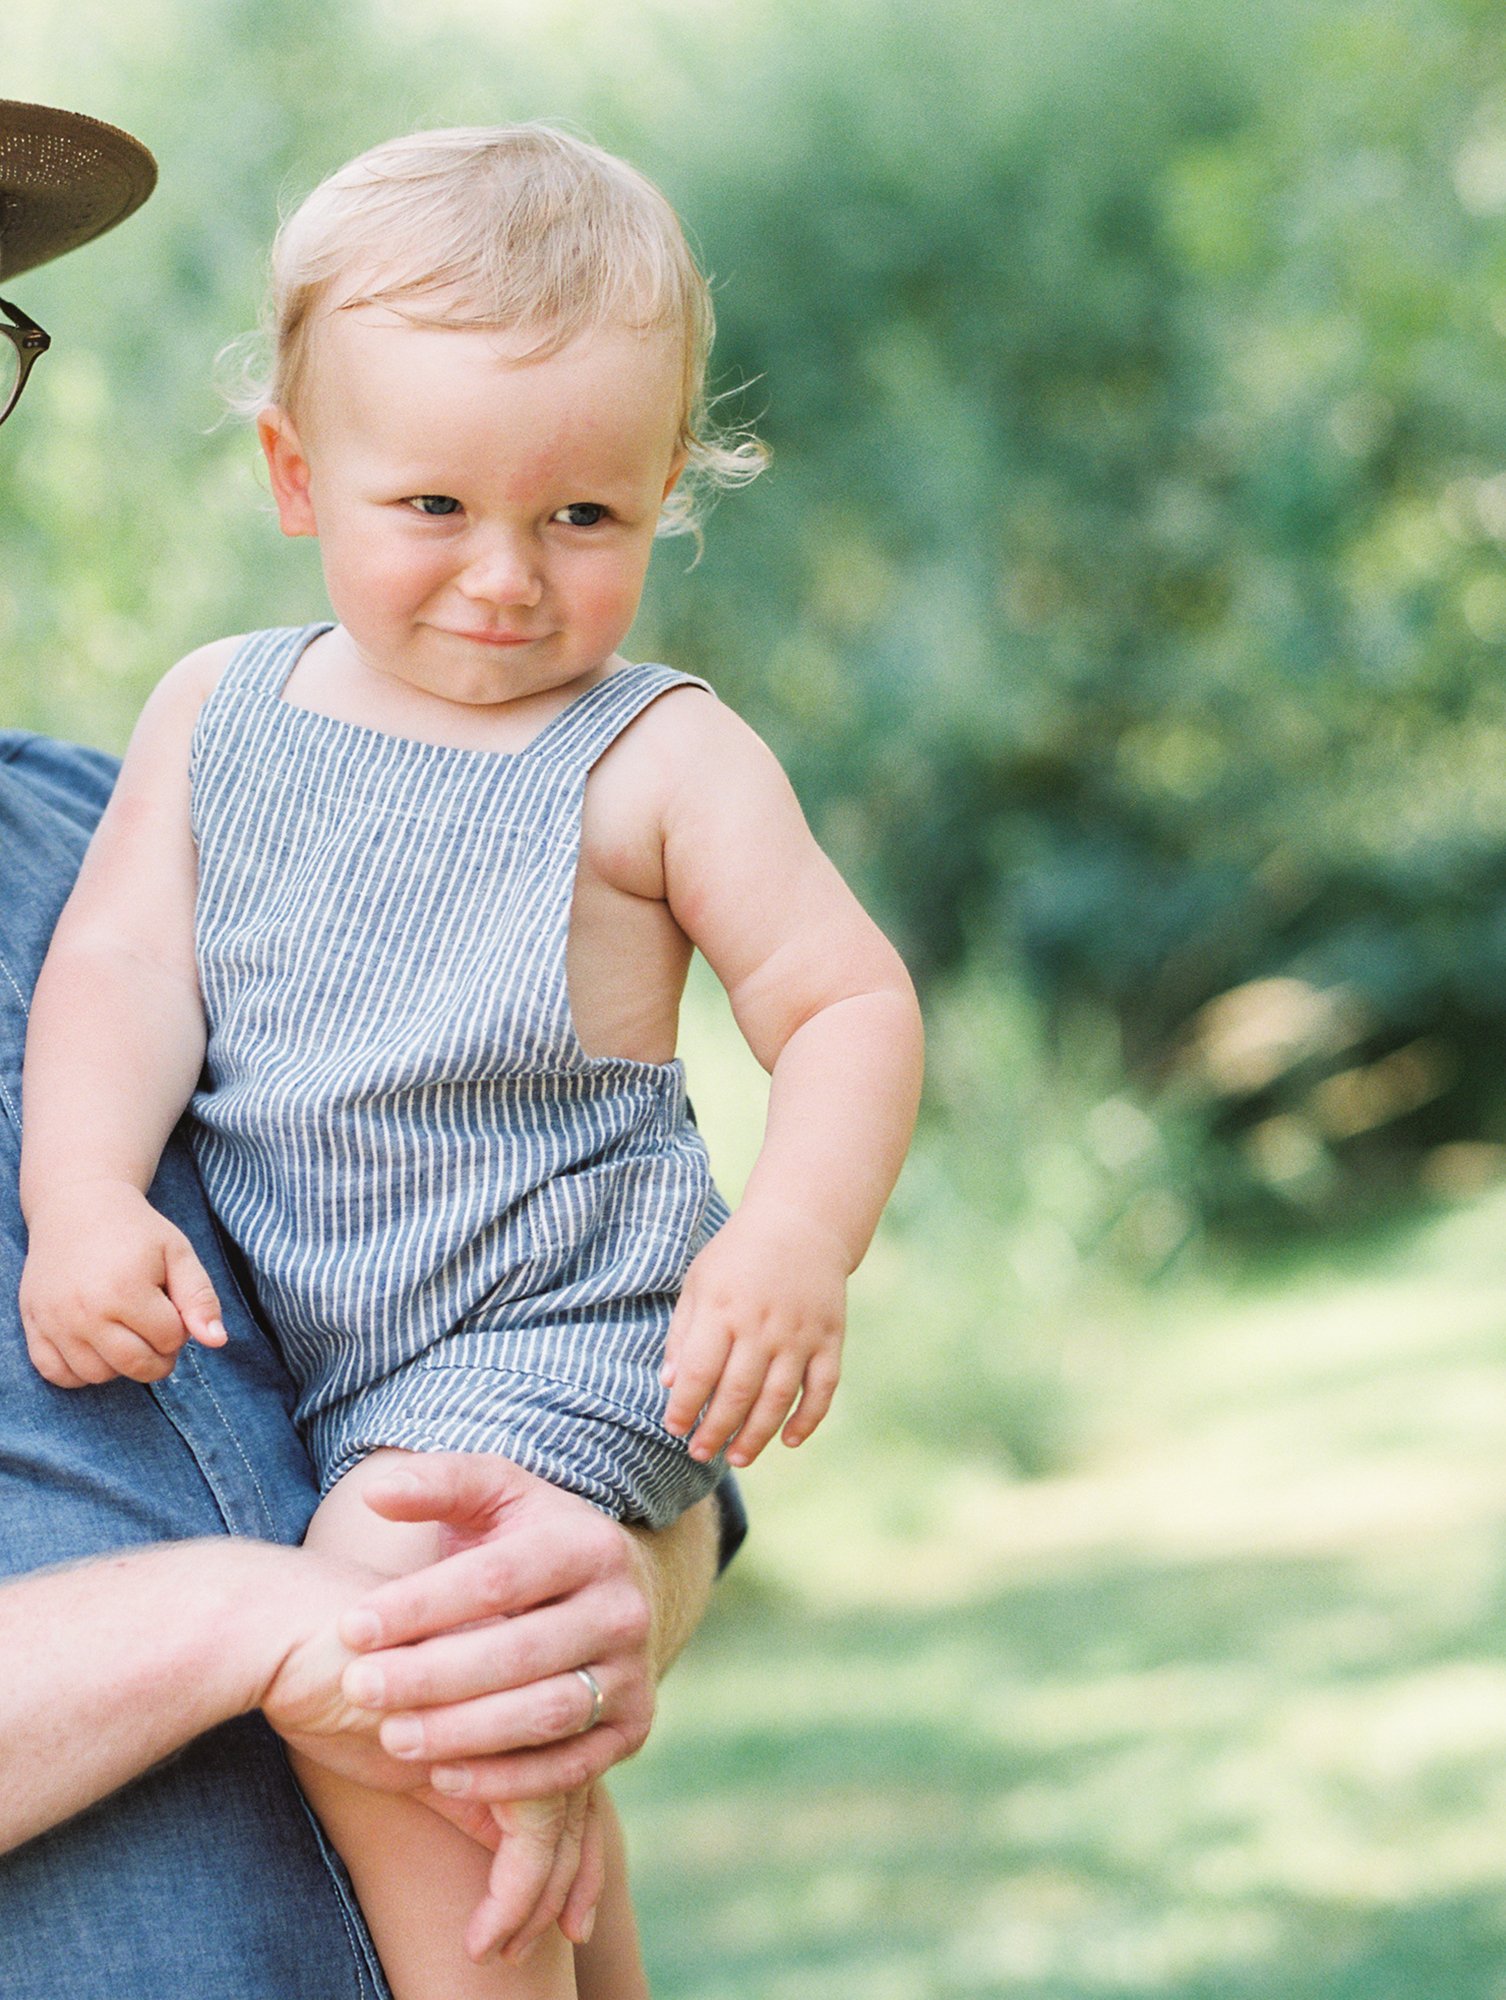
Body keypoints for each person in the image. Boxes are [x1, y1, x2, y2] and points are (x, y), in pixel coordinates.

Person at [18, 122, 926, 1997]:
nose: (506, 581)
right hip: (372, 1354)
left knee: (412, 1588)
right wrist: (82, 1191)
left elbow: (842, 1002)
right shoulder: (219, 718)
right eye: (432, 509)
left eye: (581, 518)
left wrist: (787, 1244)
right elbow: (120, 982)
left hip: (555, 1318)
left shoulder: (654, 756)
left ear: (664, 488)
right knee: (449, 1662)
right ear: (296, 472)